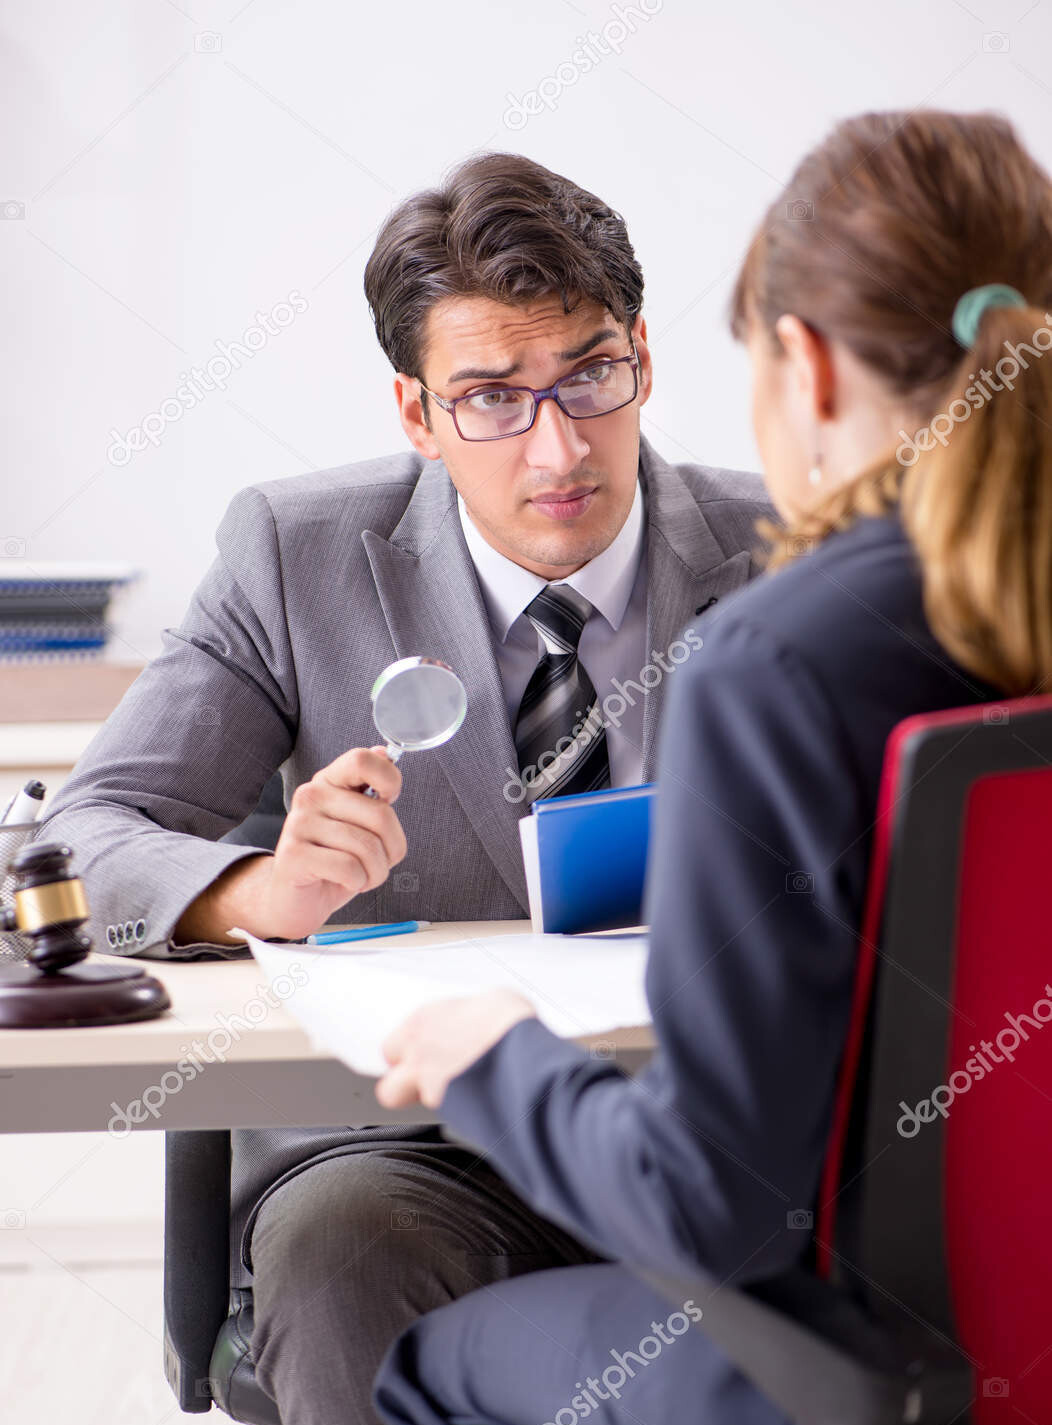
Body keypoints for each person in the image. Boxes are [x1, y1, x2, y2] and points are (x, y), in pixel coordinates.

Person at [38, 154, 770, 1423]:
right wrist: (254, 889)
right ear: (417, 415)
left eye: (591, 374)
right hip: (411, 1150)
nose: (558, 444)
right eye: (489, 396)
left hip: (718, 1128)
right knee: (342, 1250)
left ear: (642, 356)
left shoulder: (792, 550)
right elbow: (77, 843)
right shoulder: (295, 553)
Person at [371, 109, 1052, 1425]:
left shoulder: (784, 658)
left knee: (435, 1363)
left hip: (879, 1362)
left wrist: (499, 1060)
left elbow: (714, 1207)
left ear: (805, 363)